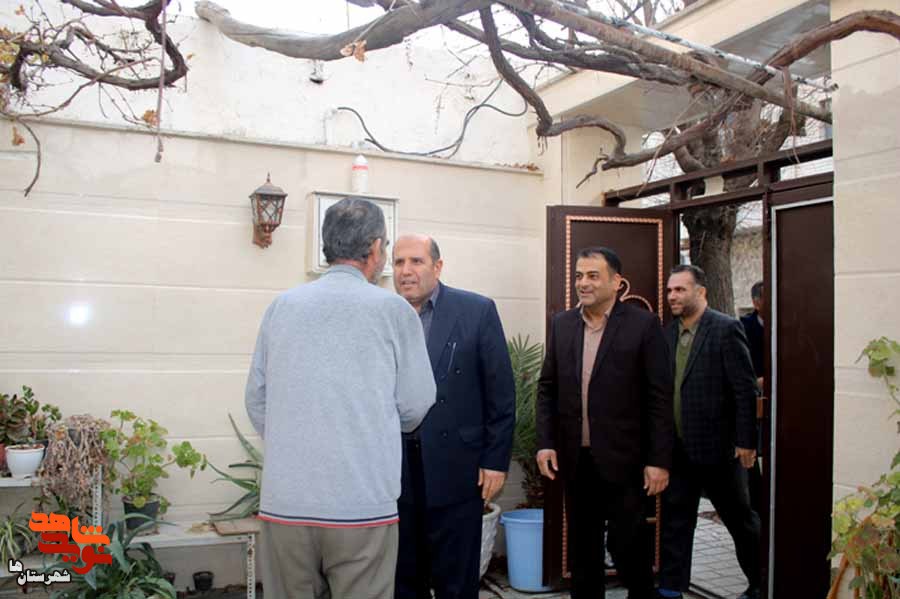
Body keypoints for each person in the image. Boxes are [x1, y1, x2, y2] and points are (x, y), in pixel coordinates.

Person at [245, 198, 436, 599]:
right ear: (375, 248)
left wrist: (296, 440)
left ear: (326, 245)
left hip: (286, 504)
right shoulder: (395, 311)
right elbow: (416, 405)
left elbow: (257, 400)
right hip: (362, 505)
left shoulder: (282, 307)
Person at [536, 246, 673, 599]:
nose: (583, 283)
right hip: (576, 460)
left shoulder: (643, 326)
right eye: (579, 275)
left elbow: (660, 398)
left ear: (616, 282)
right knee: (583, 551)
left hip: (626, 462)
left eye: (593, 276)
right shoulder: (562, 324)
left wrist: (659, 460)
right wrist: (546, 443)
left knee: (629, 547)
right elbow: (548, 388)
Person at [392, 234, 516, 599]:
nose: (406, 271)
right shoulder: (382, 314)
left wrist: (495, 461)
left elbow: (501, 393)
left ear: (438, 266)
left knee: (456, 582)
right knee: (403, 580)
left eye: (416, 261)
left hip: (458, 470)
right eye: (398, 262)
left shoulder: (476, 310)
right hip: (396, 471)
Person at [658, 265, 761, 599]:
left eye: (680, 289)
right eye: (670, 290)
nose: (672, 296)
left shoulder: (726, 328)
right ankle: (671, 590)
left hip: (719, 450)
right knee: (675, 523)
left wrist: (746, 441)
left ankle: (760, 583)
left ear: (700, 292)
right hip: (678, 451)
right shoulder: (668, 334)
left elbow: (745, 389)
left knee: (740, 521)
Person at [740, 280, 765, 518]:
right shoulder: (743, 326)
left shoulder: (784, 324)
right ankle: (756, 502)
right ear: (757, 303)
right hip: (753, 395)